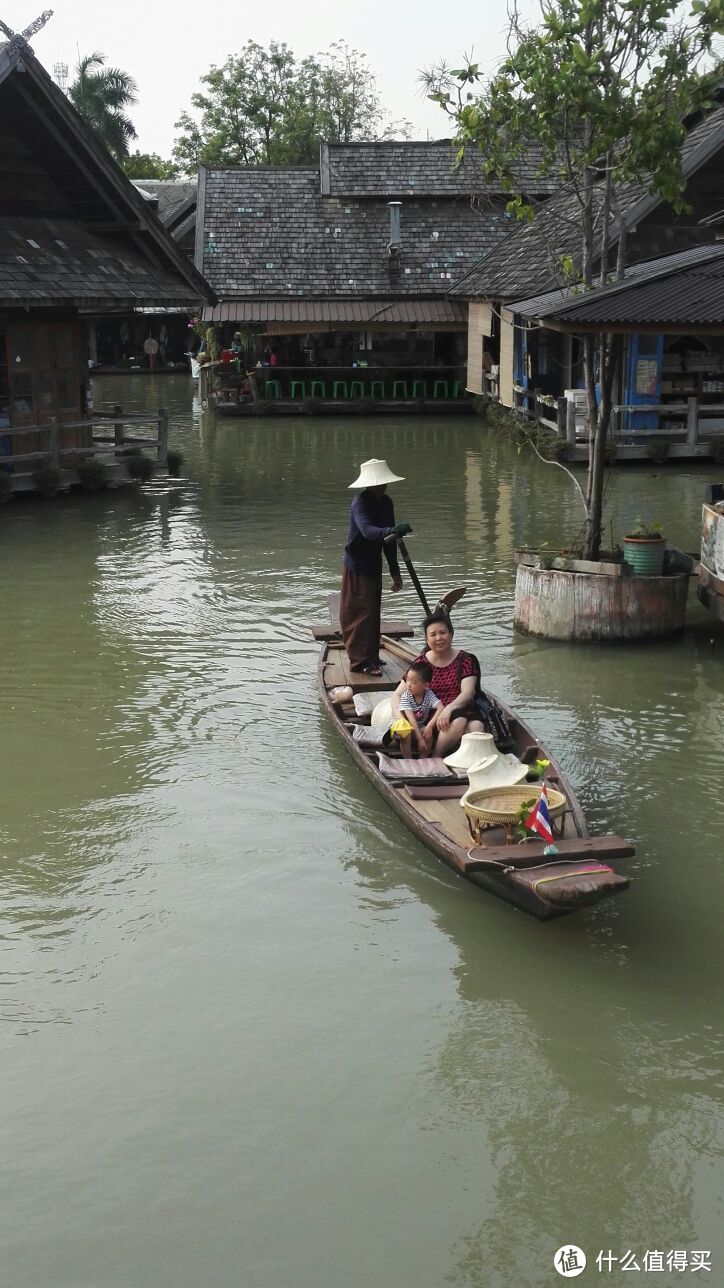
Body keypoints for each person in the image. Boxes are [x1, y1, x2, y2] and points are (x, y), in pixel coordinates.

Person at [340, 458, 412, 677]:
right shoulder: (360, 503)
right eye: (378, 484)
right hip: (357, 563)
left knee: (372, 612)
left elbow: (387, 540)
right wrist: (392, 529)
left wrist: (395, 571)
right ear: (370, 485)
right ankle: (360, 661)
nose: (382, 487)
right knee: (360, 613)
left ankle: (371, 655)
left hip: (373, 561)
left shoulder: (386, 502)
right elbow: (368, 531)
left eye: (384, 484)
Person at [391, 611, 485, 756]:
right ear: (427, 639)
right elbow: (397, 694)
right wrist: (400, 720)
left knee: (476, 727)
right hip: (428, 714)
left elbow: (468, 693)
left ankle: (440, 755)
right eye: (433, 635)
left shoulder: (465, 659)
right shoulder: (422, 662)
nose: (439, 638)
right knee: (460, 723)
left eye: (443, 633)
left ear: (451, 634)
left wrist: (448, 709)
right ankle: (437, 757)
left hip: (461, 708)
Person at [390, 660, 441, 756]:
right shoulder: (406, 696)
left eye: (413, 682)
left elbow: (440, 708)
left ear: (425, 685)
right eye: (408, 680)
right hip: (401, 729)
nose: (408, 684)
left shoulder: (428, 694)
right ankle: (408, 760)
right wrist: (420, 739)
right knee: (406, 732)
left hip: (416, 729)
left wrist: (430, 726)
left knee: (427, 733)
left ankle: (422, 761)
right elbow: (411, 720)